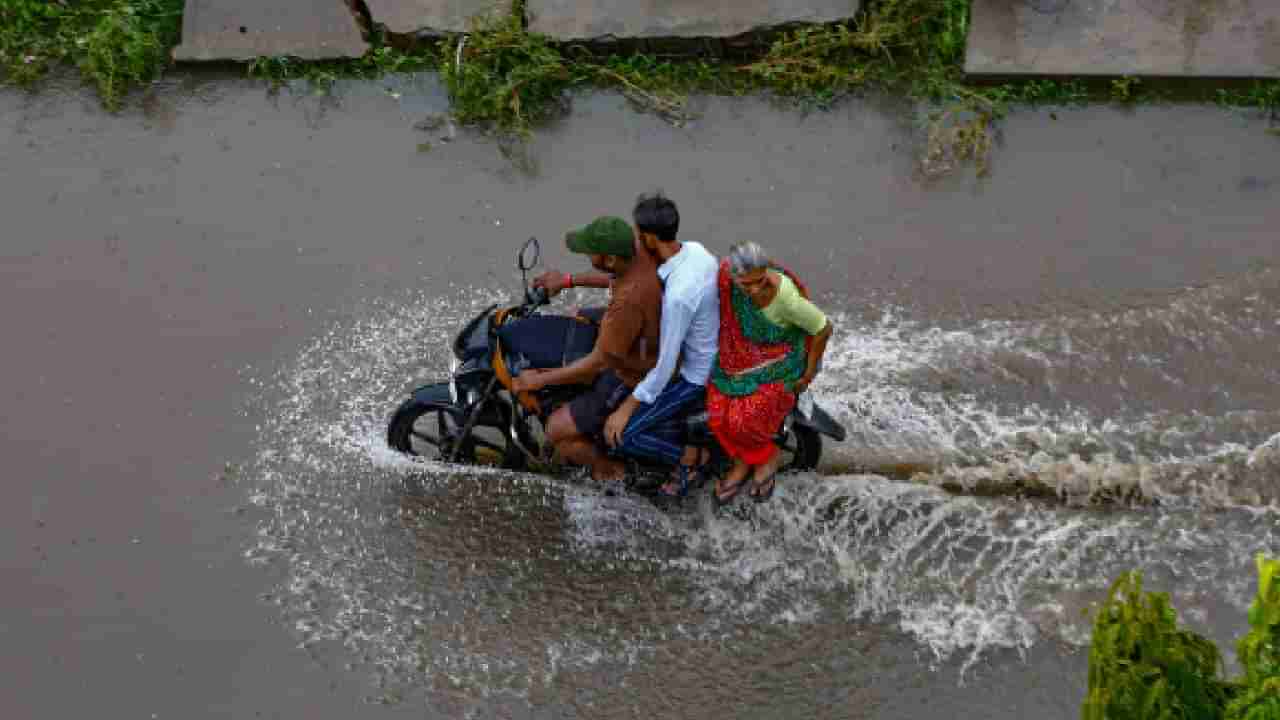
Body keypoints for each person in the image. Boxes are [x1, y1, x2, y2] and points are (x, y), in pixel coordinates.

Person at [512, 216, 662, 483]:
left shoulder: (626, 305)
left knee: (557, 429)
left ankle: (609, 470)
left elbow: (598, 363)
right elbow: (614, 280)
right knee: (579, 315)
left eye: (592, 252)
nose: (588, 255)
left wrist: (538, 379)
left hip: (633, 372)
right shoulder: (640, 254)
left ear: (611, 259)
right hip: (648, 334)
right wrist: (568, 280)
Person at [603, 193, 720, 497]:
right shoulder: (696, 252)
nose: (638, 242)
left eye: (639, 235)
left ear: (650, 238)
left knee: (622, 436)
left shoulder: (679, 296)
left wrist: (626, 410)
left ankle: (691, 460)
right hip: (714, 349)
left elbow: (665, 368)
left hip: (696, 376)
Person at [707, 242, 833, 504]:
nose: (754, 289)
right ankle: (742, 462)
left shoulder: (785, 298)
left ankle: (767, 458)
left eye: (760, 281)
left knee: (746, 417)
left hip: (785, 359)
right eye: (746, 284)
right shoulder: (726, 280)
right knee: (719, 411)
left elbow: (823, 328)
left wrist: (808, 374)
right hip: (745, 354)